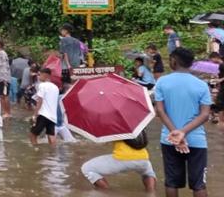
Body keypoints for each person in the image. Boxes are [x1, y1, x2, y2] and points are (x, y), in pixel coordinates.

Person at [154, 47, 211, 197]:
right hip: (196, 140)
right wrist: (183, 132)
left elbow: (160, 111)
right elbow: (205, 114)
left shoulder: (162, 82)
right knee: (199, 185)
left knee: (171, 182)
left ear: (173, 61)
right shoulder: (202, 85)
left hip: (169, 139)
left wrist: (176, 133)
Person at [81, 131, 157, 193]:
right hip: (143, 158)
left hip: (123, 158)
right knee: (148, 172)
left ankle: (107, 192)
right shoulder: (137, 124)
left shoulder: (116, 124)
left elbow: (103, 142)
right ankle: (151, 193)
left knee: (87, 168)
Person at [30, 68, 60, 147]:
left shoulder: (42, 85)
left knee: (33, 134)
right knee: (51, 135)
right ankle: (52, 154)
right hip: (52, 116)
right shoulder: (55, 87)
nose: (39, 77)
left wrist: (35, 115)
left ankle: (36, 151)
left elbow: (40, 101)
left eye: (40, 75)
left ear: (45, 75)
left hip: (43, 114)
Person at [0, 39, 11, 116]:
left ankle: (7, 113)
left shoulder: (2, 53)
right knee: (1, 95)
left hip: (3, 79)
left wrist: (4, 79)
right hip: (0, 78)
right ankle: (4, 112)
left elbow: (4, 66)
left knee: (4, 95)